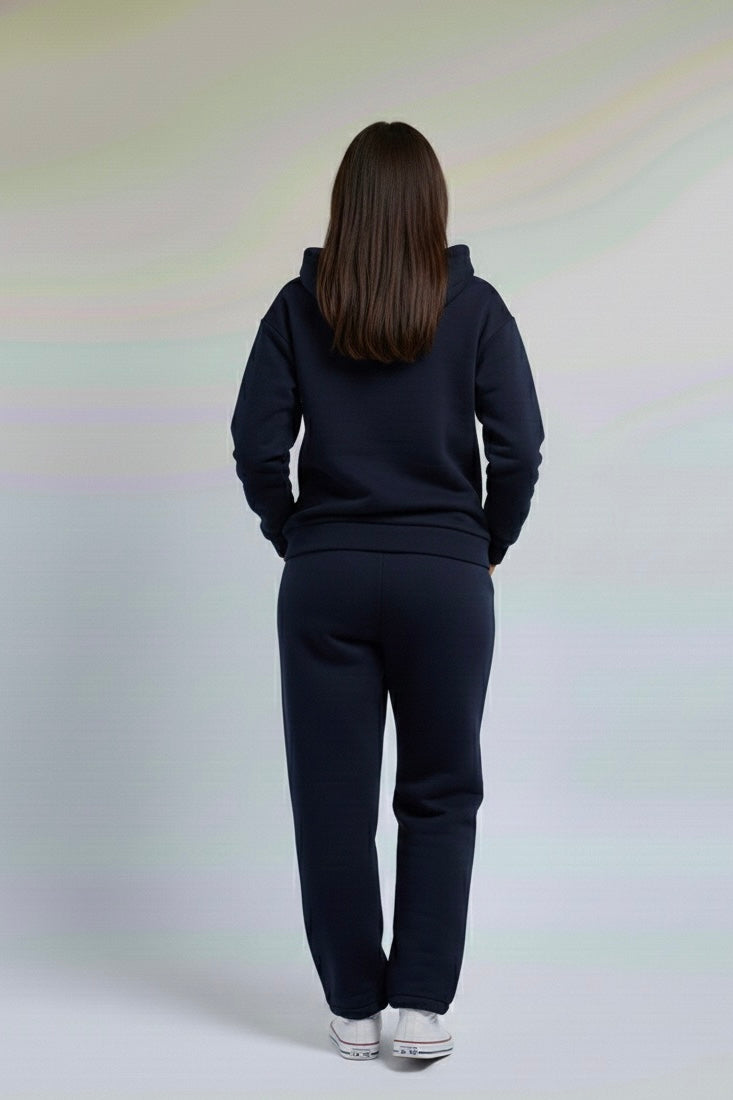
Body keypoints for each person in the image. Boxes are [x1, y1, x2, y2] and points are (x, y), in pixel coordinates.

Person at [230, 120, 545, 1061]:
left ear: (346, 208)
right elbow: (520, 447)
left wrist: (296, 534)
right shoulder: (476, 308)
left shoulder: (297, 308)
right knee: (440, 790)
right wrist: (485, 544)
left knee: (331, 800)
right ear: (431, 206)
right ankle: (420, 1010)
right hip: (445, 578)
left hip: (324, 578)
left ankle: (353, 1008)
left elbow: (254, 444)